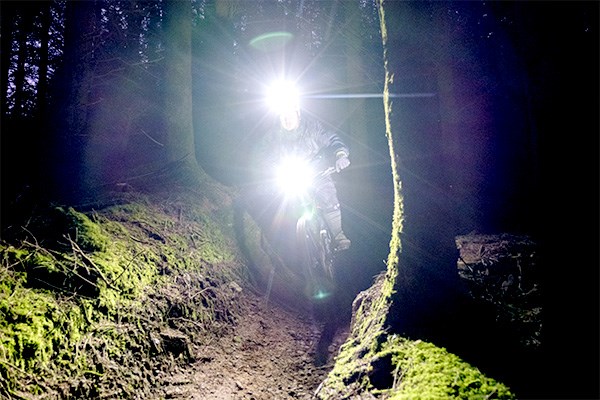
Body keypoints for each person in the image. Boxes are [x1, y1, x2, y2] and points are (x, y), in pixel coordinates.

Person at [258, 100, 351, 252]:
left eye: (290, 115)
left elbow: (331, 139)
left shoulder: (312, 128)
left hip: (316, 172)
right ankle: (292, 243)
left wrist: (340, 154)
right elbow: (262, 155)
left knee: (328, 196)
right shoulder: (273, 136)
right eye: (283, 116)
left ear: (298, 115)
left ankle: (338, 236)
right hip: (288, 176)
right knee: (283, 204)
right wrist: (267, 171)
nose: (287, 119)